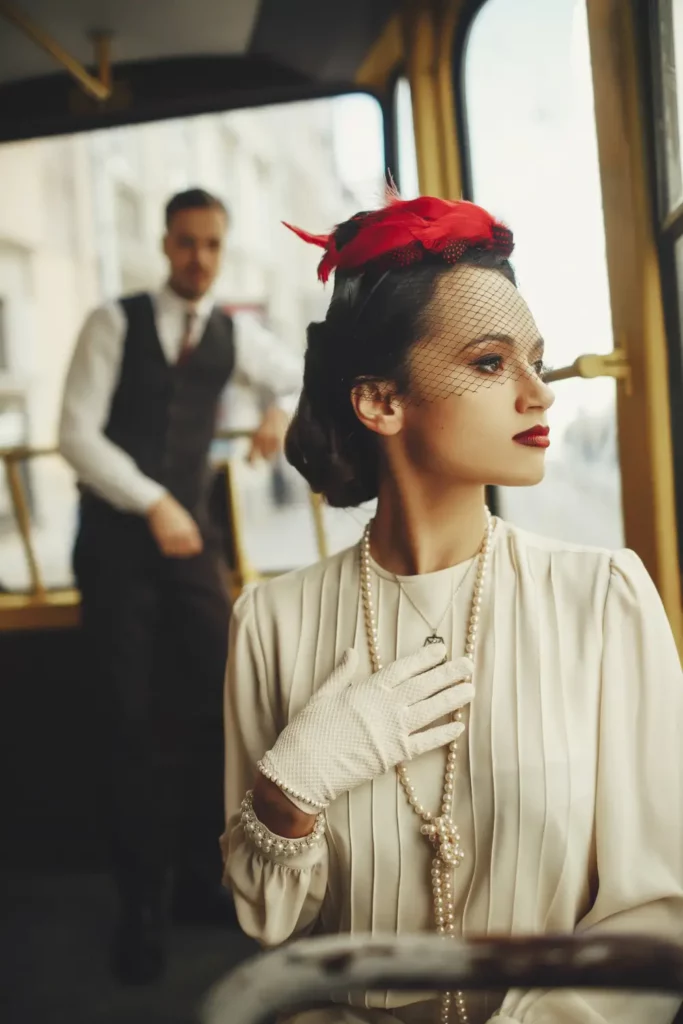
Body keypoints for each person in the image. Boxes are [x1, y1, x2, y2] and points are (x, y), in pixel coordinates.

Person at [221, 195, 683, 1023]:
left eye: (536, 361)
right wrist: (289, 793)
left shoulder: (604, 600)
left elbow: (659, 913)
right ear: (380, 401)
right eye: (490, 363)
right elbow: (267, 920)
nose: (538, 394)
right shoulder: (270, 623)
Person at [59, 187, 301, 985]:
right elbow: (74, 434)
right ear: (166, 244)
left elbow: (297, 376)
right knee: (125, 723)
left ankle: (202, 883)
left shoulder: (233, 332)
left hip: (191, 544)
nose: (199, 257)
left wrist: (280, 408)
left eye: (212, 245)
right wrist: (153, 502)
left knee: (217, 705)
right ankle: (141, 908)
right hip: (116, 544)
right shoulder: (113, 322)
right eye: (187, 242)